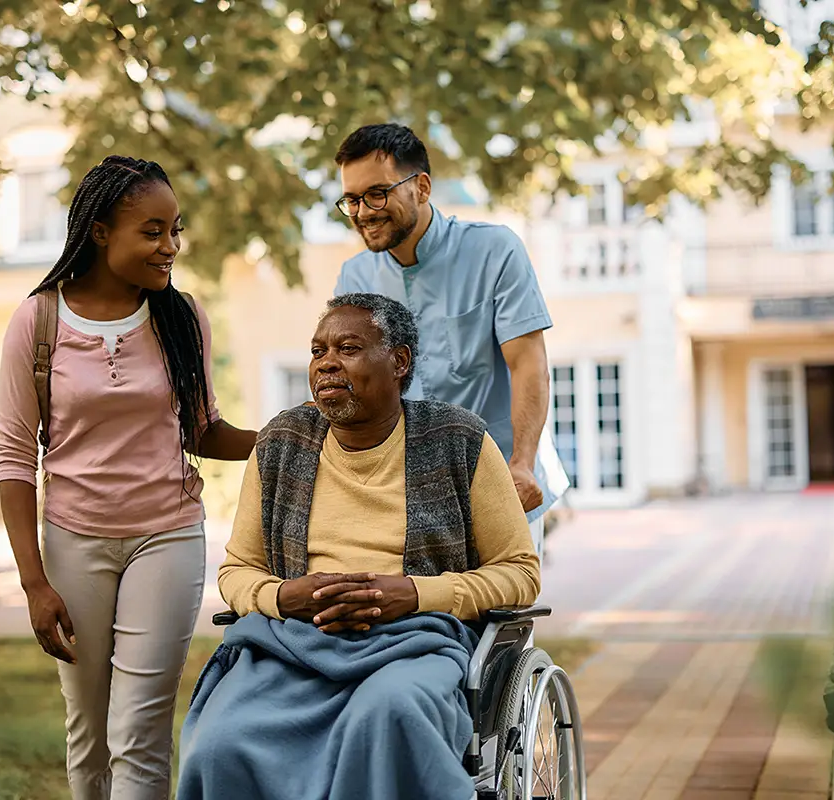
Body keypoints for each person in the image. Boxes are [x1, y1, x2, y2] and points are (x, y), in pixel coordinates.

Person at [176, 294, 540, 800]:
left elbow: (520, 572)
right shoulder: (282, 444)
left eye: (348, 348)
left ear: (399, 361)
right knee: (218, 743)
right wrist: (285, 598)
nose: (326, 362)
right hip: (293, 644)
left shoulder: (459, 440)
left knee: (387, 714)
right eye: (318, 350)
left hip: (414, 644)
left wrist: (414, 593)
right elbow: (238, 571)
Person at [0, 155, 256, 800]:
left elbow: (202, 431)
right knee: (88, 730)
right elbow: (13, 458)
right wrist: (34, 584)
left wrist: (286, 437)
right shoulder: (39, 321)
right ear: (101, 230)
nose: (170, 246)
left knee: (138, 732)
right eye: (152, 231)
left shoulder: (180, 316)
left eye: (176, 230)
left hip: (165, 538)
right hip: (72, 542)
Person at [331, 123, 559, 557]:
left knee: (501, 620)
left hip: (504, 486)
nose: (363, 211)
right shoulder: (354, 277)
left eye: (377, 193)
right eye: (352, 199)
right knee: (425, 622)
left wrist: (523, 464)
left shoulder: (496, 251)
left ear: (421, 187)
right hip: (409, 501)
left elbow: (528, 364)